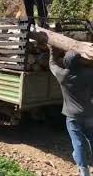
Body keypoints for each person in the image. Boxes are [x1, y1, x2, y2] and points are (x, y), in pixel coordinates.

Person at [49, 48, 93, 176]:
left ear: (65, 62)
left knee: (78, 142)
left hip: (73, 116)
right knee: (92, 139)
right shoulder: (89, 74)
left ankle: (84, 170)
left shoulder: (63, 75)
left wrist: (52, 51)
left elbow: (52, 65)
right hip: (90, 114)